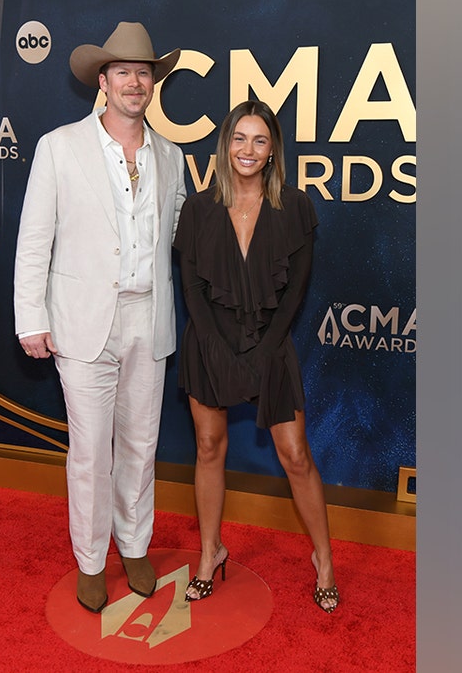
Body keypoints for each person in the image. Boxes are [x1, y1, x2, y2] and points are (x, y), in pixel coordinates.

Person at [13, 22, 186, 614]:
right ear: (103, 81)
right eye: (123, 72)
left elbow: (182, 234)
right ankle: (90, 560)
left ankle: (134, 546)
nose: (134, 82)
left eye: (143, 72)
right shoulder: (59, 146)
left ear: (152, 82)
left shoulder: (172, 155)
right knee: (90, 450)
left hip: (150, 317)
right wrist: (29, 317)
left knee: (141, 443)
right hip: (83, 321)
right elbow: (35, 239)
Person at [174, 100, 339, 613]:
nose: (248, 149)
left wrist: (265, 352)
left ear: (272, 151)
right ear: (225, 145)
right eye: (239, 139)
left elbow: (294, 295)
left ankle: (325, 560)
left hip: (271, 344)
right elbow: (193, 291)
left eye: (259, 140)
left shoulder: (296, 208)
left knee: (295, 455)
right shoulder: (198, 209)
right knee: (207, 447)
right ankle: (210, 553)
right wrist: (218, 350)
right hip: (209, 344)